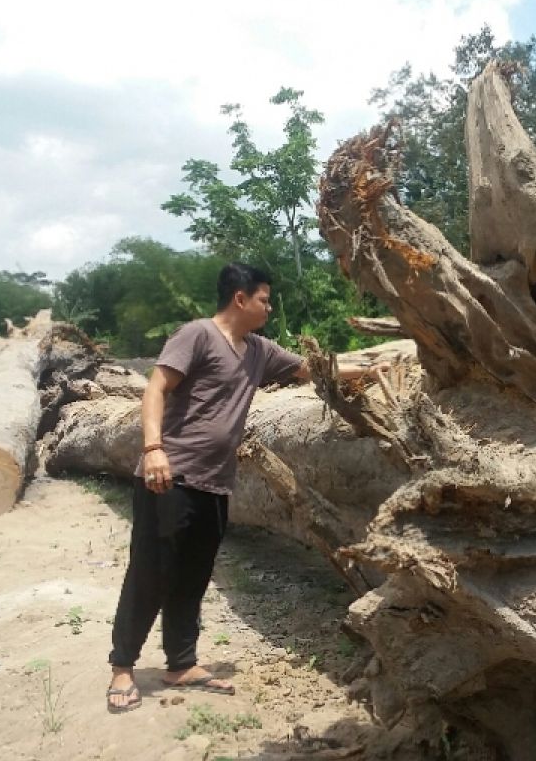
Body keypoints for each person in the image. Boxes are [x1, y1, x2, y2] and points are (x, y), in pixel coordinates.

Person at [106, 262, 382, 713]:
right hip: (169, 477)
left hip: (215, 484)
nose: (269, 308)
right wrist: (153, 448)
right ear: (240, 298)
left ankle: (180, 662)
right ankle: (122, 667)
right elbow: (156, 387)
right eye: (264, 300)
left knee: (193, 575)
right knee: (150, 572)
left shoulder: (258, 350)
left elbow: (314, 370)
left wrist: (377, 366)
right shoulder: (196, 334)